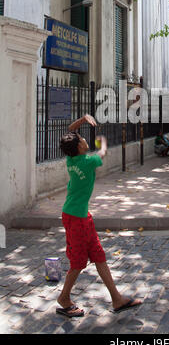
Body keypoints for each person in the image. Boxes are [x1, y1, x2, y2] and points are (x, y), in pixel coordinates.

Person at [56, 114, 142, 318]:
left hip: (80, 215)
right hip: (76, 218)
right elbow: (103, 152)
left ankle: (117, 298)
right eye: (82, 139)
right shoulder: (88, 161)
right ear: (79, 147)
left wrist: (83, 119)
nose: (84, 139)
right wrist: (101, 140)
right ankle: (64, 298)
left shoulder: (71, 159)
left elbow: (70, 129)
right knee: (78, 262)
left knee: (98, 255)